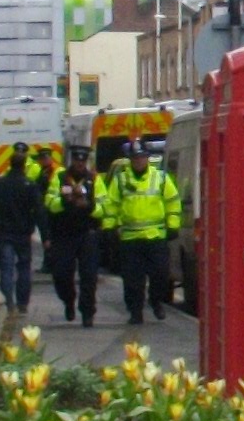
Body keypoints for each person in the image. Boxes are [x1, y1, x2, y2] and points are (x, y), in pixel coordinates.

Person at [106, 138, 181, 324]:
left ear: (147, 158)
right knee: (132, 281)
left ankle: (155, 301)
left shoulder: (161, 178)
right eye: (135, 158)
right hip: (130, 238)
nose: (139, 161)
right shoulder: (121, 180)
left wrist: (173, 225)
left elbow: (173, 202)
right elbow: (111, 205)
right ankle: (135, 312)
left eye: (142, 157)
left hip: (156, 236)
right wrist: (109, 228)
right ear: (130, 160)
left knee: (161, 275)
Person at [45, 145, 107, 328]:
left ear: (86, 161)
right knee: (62, 274)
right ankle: (68, 300)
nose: (80, 164)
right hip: (64, 234)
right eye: (77, 160)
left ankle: (87, 313)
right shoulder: (60, 177)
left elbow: (105, 208)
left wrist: (88, 206)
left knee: (89, 276)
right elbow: (49, 202)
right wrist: (66, 201)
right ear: (72, 160)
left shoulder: (95, 179)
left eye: (83, 161)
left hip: (87, 234)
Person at [0, 152, 44, 316]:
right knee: (24, 268)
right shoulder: (29, 185)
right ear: (23, 166)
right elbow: (39, 211)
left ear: (10, 164)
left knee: (6, 268)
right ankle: (22, 303)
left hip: (5, 231)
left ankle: (8, 303)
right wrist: (45, 234)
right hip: (23, 232)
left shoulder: (0, 184)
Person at [34, 148, 62, 274]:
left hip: (51, 210)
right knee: (46, 237)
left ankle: (50, 264)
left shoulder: (54, 171)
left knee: (49, 238)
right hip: (45, 208)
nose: (40, 161)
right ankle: (49, 263)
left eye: (42, 159)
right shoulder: (45, 170)